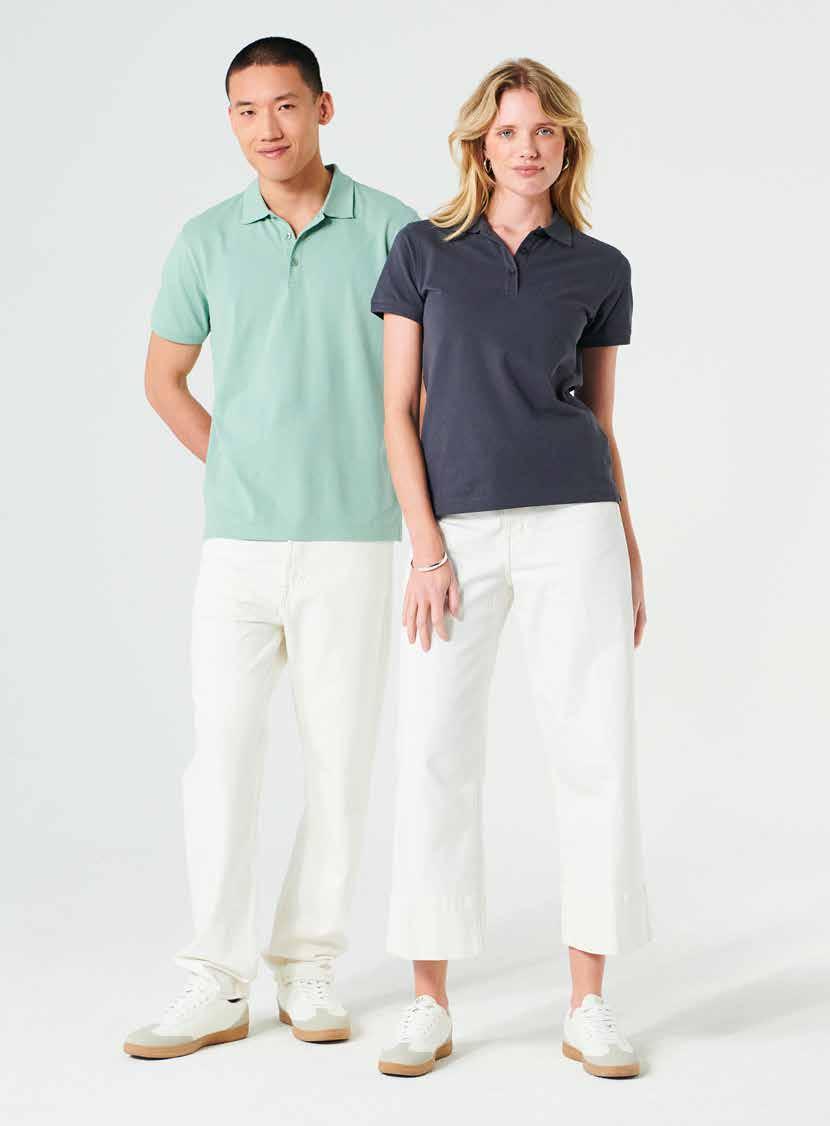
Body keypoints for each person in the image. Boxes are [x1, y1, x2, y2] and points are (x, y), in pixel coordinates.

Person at [123, 36, 418, 1060]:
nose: (267, 128)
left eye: (285, 105)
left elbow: (425, 384)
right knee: (222, 763)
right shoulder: (205, 239)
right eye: (246, 110)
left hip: (353, 535)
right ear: (231, 120)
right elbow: (163, 380)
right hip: (238, 548)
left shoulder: (394, 230)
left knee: (339, 761)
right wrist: (233, 464)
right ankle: (215, 980)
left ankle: (307, 960)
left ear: (323, 108)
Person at [370, 57, 652, 1080]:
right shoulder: (422, 252)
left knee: (593, 751)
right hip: (456, 535)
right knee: (433, 751)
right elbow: (397, 412)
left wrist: (627, 546)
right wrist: (425, 548)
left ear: (565, 143)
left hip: (575, 523)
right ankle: (427, 1004)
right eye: (506, 131)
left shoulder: (600, 266)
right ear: (477, 146)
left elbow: (601, 423)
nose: (525, 147)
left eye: (543, 130)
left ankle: (587, 1005)